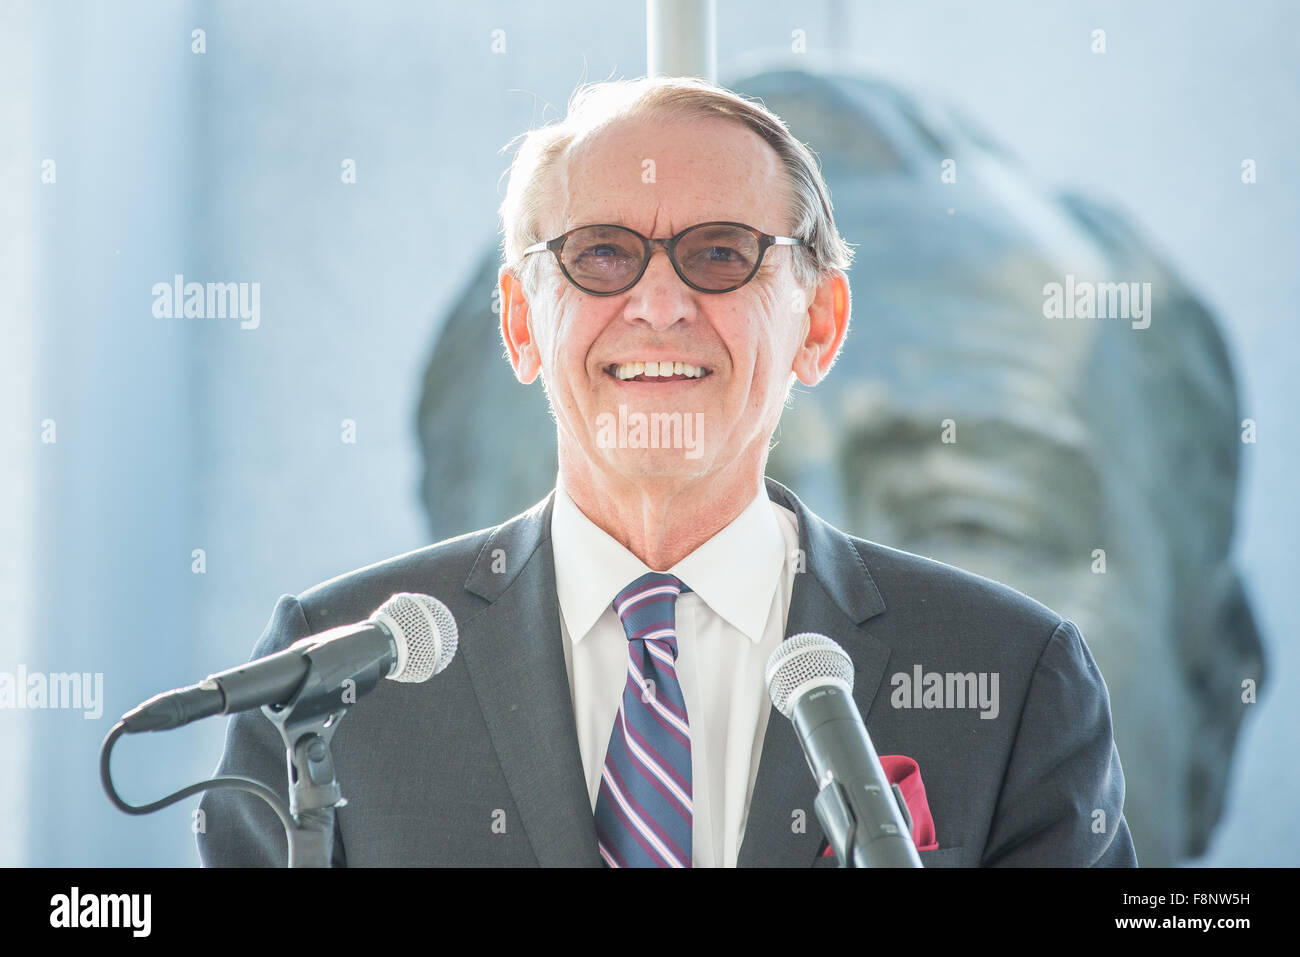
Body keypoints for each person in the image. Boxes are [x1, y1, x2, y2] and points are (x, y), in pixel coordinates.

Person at [197, 75, 1137, 867]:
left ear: (819, 324)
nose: (657, 302)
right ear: (523, 323)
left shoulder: (1010, 677)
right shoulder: (331, 677)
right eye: (600, 253)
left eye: (720, 254)